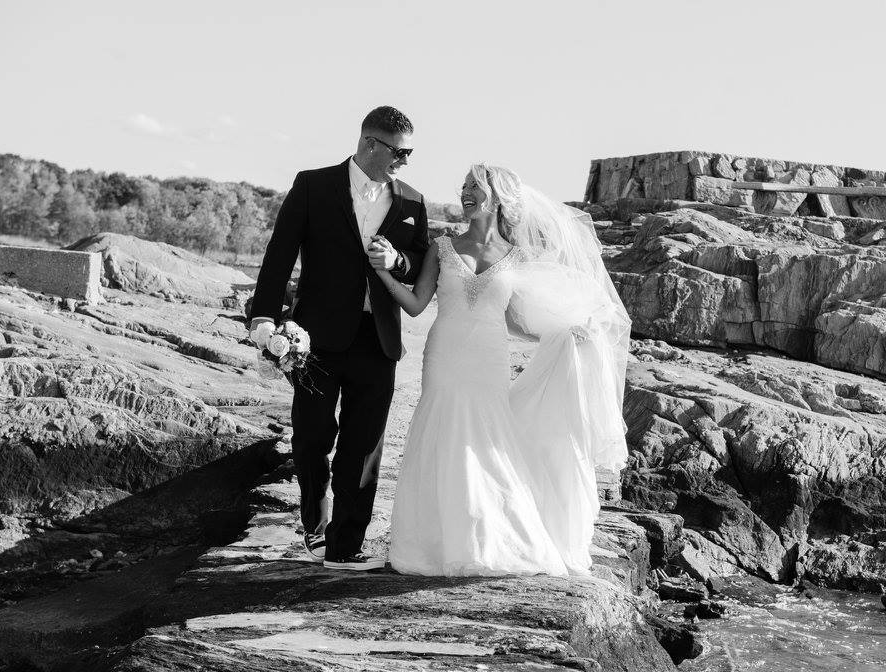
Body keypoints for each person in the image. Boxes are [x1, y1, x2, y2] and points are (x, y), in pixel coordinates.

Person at [370, 164, 630, 576]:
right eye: (464, 186)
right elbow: (418, 305)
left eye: (475, 185)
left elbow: (515, 320)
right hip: (444, 355)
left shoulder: (519, 257)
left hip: (489, 358)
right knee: (443, 432)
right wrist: (383, 271)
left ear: (497, 195)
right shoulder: (442, 247)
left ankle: (492, 541)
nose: (466, 192)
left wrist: (566, 332)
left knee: (486, 442)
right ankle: (438, 544)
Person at [247, 106, 429, 571]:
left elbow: (418, 259)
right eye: (400, 152)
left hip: (378, 341)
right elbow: (279, 255)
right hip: (315, 340)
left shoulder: (412, 201)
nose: (405, 162)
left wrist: (397, 261)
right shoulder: (313, 185)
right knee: (311, 437)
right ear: (372, 144)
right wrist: (264, 319)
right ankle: (314, 518)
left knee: (364, 446)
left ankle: (346, 543)